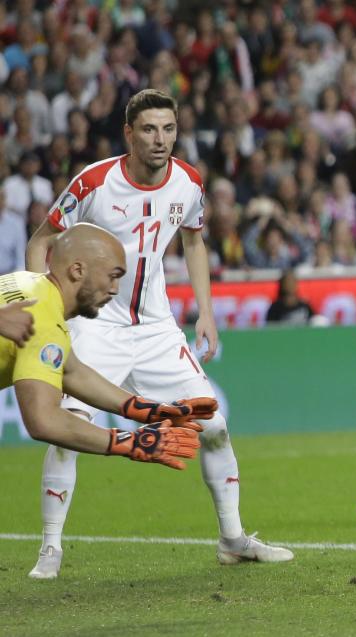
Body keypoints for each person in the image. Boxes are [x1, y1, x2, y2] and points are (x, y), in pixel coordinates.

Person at [24, 89, 294, 580]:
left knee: (212, 427)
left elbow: (194, 241)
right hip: (94, 324)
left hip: (155, 329)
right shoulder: (95, 183)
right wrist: (43, 311)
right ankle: (50, 547)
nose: (160, 139)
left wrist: (205, 313)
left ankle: (233, 540)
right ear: (129, 133)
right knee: (68, 428)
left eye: (168, 129)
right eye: (149, 129)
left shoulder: (189, 182)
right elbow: (41, 239)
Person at [2, 223, 209, 469]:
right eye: (112, 276)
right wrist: (129, 442)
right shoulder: (45, 323)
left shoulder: (25, 282)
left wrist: (148, 410)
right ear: (77, 270)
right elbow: (44, 421)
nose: (114, 290)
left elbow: (73, 373)